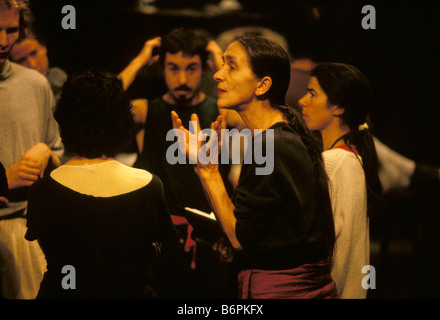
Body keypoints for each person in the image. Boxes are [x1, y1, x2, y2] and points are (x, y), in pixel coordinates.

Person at [172, 34, 338, 299]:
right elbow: (261, 232)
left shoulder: (270, 144)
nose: (218, 75)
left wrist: (208, 170)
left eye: (231, 66)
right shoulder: (274, 138)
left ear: (262, 85)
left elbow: (241, 238)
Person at [24, 70, 180, 299]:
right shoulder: (149, 185)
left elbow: (51, 251)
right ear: (122, 121)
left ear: (64, 120)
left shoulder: (43, 189)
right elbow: (160, 249)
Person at [118, 27, 234, 298]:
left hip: (212, 240)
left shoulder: (224, 113)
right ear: (161, 68)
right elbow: (98, 107)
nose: (182, 78)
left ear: (204, 68)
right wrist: (139, 60)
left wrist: (220, 61)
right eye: (173, 68)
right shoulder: (147, 110)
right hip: (157, 239)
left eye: (191, 68)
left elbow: (254, 106)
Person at [298, 62, 383, 298]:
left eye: (312, 93)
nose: (302, 101)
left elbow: (339, 251)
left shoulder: (335, 162)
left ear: (338, 107)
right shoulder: (349, 157)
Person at [0, 0, 63, 299]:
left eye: (11, 30)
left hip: (24, 228)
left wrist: (46, 152)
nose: (3, 41)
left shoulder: (36, 85)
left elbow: (61, 154)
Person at [9, 35, 67, 101]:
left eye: (33, 53)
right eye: (21, 60)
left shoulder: (61, 79)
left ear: (44, 47)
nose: (32, 65)